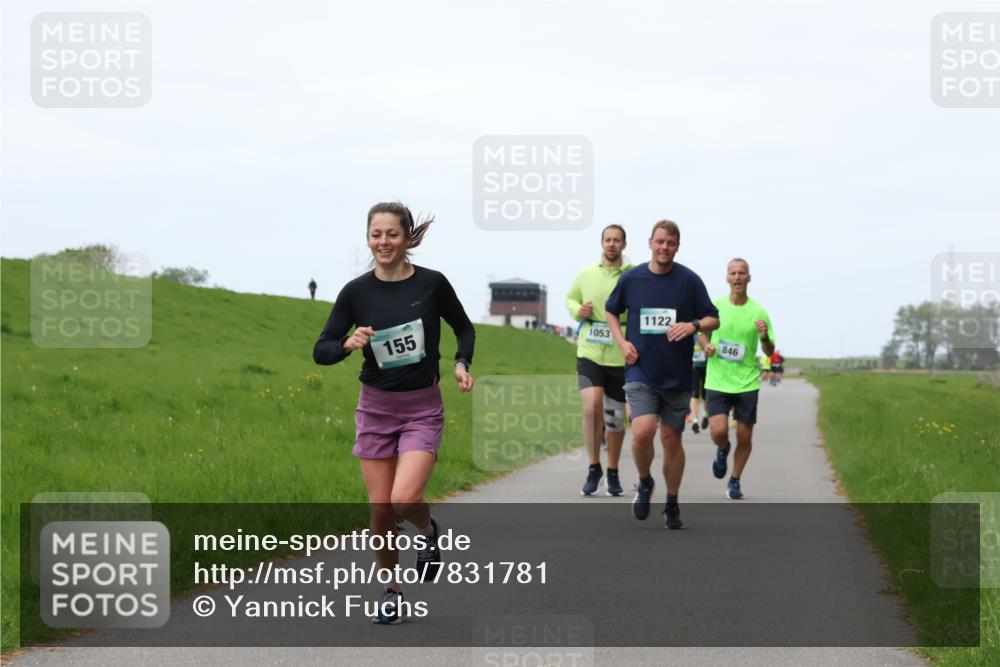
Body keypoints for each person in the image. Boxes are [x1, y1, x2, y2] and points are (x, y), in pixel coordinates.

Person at [313, 202, 475, 624]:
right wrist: (347, 344)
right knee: (381, 508)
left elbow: (464, 327)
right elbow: (321, 349)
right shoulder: (356, 292)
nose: (383, 242)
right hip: (375, 409)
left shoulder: (432, 284)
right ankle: (391, 589)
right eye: (376, 235)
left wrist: (461, 363)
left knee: (404, 498)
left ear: (407, 239)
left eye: (392, 234)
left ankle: (428, 531)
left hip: (421, 409)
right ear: (369, 238)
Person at [605, 220, 719, 529]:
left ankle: (671, 502)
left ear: (677, 246)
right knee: (642, 432)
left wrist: (693, 326)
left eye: (670, 243)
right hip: (640, 369)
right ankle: (644, 482)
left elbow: (713, 319)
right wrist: (622, 342)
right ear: (650, 243)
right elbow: (611, 311)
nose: (664, 248)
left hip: (677, 374)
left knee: (671, 440)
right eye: (660, 242)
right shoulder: (632, 278)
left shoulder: (689, 281)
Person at [699, 258, 774, 500]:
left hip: (747, 381)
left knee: (745, 436)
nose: (738, 277)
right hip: (718, 380)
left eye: (742, 273)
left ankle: (735, 480)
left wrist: (763, 337)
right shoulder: (715, 306)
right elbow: (700, 333)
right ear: (727, 278)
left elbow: (770, 351)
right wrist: (706, 345)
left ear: (749, 278)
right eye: (733, 273)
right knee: (718, 431)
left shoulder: (758, 311)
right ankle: (722, 450)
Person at [566, 224, 632, 496]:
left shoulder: (633, 275)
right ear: (601, 243)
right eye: (608, 240)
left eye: (617, 240)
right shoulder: (586, 274)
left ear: (624, 245)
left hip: (620, 354)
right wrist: (576, 310)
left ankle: (613, 471)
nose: (612, 244)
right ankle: (594, 467)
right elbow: (571, 299)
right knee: (592, 408)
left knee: (615, 417)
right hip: (590, 349)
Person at [690, 339, 709, 433]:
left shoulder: (709, 332)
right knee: (695, 394)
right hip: (694, 366)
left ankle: (705, 415)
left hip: (707, 365)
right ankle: (695, 421)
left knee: (705, 393)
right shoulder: (691, 332)